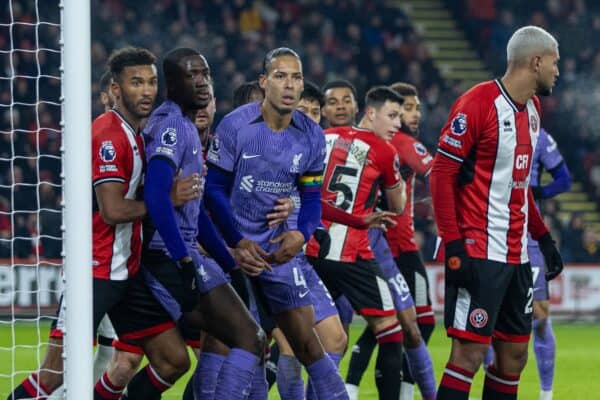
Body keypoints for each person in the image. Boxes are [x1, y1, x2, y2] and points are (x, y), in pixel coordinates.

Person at [8, 47, 201, 400]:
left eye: (151, 82)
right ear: (115, 89)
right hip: (95, 273)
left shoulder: (137, 134)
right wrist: (166, 200)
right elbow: (112, 210)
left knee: (173, 359)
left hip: (128, 272)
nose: (146, 91)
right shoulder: (109, 135)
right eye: (136, 82)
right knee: (54, 375)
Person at [205, 47, 349, 399]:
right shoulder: (236, 125)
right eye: (281, 76)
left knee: (308, 344)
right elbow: (213, 190)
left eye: (296, 77)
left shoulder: (312, 135)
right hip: (231, 252)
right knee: (236, 347)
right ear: (264, 81)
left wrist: (302, 232)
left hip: (279, 254)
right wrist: (236, 242)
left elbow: (312, 195)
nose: (289, 84)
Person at [430, 26, 564, 400]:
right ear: (535, 61)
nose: (558, 70)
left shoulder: (533, 111)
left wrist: (543, 238)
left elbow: (518, 186)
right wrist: (454, 246)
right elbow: (441, 174)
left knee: (514, 357)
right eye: (555, 61)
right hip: (477, 251)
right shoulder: (477, 103)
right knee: (468, 355)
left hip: (517, 256)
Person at [137, 47, 266, 400]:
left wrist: (230, 260)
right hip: (167, 256)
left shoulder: (186, 127)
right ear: (172, 84)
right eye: (190, 75)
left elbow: (196, 211)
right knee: (250, 339)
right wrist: (182, 260)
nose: (201, 83)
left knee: (238, 343)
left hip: (187, 252)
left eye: (204, 74)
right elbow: (156, 197)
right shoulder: (173, 128)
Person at [306, 86, 408, 400]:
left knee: (297, 337)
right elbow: (398, 206)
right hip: (351, 254)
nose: (397, 125)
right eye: (392, 116)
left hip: (310, 250)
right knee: (391, 333)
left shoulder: (325, 136)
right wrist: (398, 182)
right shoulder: (383, 150)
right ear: (371, 113)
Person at [344, 83, 437, 400]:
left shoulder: (361, 143)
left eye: (413, 109)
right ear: (375, 113)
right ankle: (406, 392)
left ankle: (350, 388)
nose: (409, 117)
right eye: (401, 111)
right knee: (414, 324)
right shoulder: (397, 144)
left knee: (388, 325)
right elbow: (438, 172)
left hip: (368, 241)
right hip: (392, 246)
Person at [270, 79, 348, 400]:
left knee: (334, 340)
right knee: (288, 346)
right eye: (305, 110)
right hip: (271, 259)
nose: (312, 117)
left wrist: (313, 229)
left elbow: (314, 201)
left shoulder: (311, 152)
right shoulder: (272, 145)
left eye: (317, 112)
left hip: (299, 260)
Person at [483, 127, 571, 400]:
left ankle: (546, 395)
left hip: (529, 235)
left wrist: (537, 192)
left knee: (541, 316)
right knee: (488, 317)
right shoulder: (489, 129)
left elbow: (564, 179)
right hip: (493, 231)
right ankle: (494, 388)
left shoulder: (540, 136)